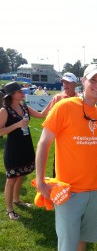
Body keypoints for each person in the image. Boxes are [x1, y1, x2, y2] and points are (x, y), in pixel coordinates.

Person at [35, 64, 97, 251]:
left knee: (82, 242)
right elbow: (43, 144)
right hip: (68, 193)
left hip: (95, 191)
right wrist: (41, 182)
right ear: (83, 81)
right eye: (93, 80)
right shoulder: (64, 107)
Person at [0, 81, 46, 220]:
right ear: (12, 95)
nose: (23, 93)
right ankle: (9, 210)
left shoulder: (23, 106)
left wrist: (55, 101)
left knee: (21, 175)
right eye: (20, 91)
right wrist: (17, 125)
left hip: (25, 145)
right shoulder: (4, 110)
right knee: (11, 179)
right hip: (13, 148)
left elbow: (41, 115)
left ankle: (16, 200)